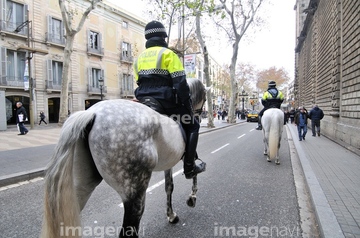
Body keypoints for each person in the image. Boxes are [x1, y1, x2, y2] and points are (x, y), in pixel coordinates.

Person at [133, 20, 206, 179]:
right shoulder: (168, 54)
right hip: (165, 100)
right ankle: (189, 167)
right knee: (193, 125)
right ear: (163, 37)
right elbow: (180, 83)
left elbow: (139, 82)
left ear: (147, 38)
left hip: (144, 100)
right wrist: (187, 104)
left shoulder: (139, 58)